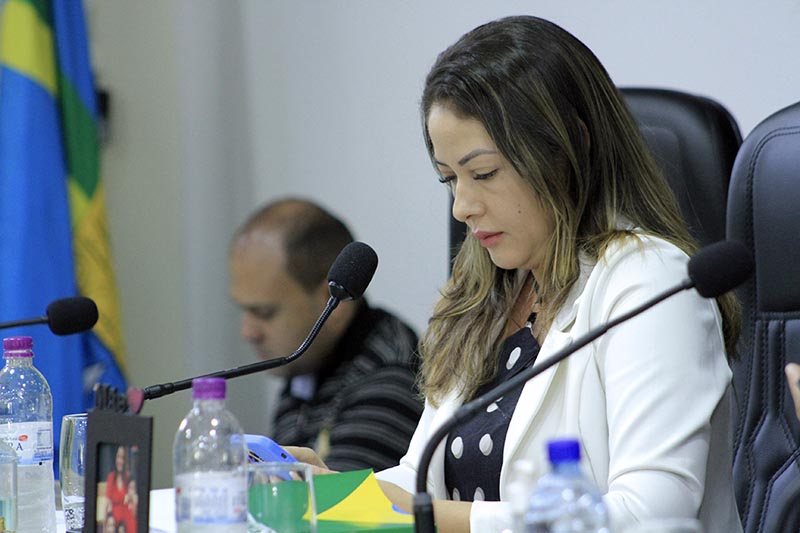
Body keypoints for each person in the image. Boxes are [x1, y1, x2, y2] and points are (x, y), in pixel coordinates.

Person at [288, 15, 744, 533]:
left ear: (568, 150)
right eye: (449, 179)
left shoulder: (651, 284)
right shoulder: (483, 291)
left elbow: (650, 517)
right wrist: (334, 492)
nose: (462, 207)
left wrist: (426, 516)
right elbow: (421, 481)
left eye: (483, 174)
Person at [228, 198, 423, 471]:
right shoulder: (309, 362)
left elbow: (338, 498)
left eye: (264, 312)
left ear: (333, 301)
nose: (247, 332)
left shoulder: (390, 379)